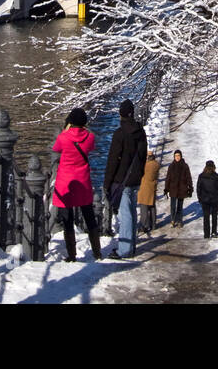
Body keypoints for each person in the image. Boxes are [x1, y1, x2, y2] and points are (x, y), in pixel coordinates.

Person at [51, 108, 101, 262]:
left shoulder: (63, 137)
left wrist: (66, 130)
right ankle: (97, 252)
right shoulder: (90, 137)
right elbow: (91, 146)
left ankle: (72, 255)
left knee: (67, 220)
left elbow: (56, 148)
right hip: (83, 181)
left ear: (70, 122)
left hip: (66, 182)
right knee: (89, 216)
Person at [103, 99, 148, 259]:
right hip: (135, 177)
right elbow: (143, 155)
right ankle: (131, 245)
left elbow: (113, 160)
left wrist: (107, 183)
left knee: (125, 214)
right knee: (131, 211)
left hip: (122, 179)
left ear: (121, 114)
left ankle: (124, 249)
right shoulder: (140, 132)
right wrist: (140, 172)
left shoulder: (120, 134)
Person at [163, 150, 193, 228]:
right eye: (176, 156)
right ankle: (173, 219)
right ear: (174, 157)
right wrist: (166, 188)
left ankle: (179, 220)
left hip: (182, 189)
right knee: (173, 206)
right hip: (173, 189)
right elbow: (168, 178)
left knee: (180, 206)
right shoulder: (171, 166)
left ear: (181, 156)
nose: (177, 157)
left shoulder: (185, 166)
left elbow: (188, 177)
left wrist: (190, 187)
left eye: (178, 155)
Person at [196, 160, 218, 238]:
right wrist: (215, 189)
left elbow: (198, 188)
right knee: (214, 216)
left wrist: (200, 198)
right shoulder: (216, 176)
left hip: (205, 199)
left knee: (206, 216)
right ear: (213, 167)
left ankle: (206, 234)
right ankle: (214, 232)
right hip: (214, 198)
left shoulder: (201, 176)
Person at [137, 151, 161, 234]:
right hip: (152, 187)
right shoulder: (156, 164)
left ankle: (144, 225)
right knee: (152, 206)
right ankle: (153, 224)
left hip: (144, 188)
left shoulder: (146, 165)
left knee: (144, 207)